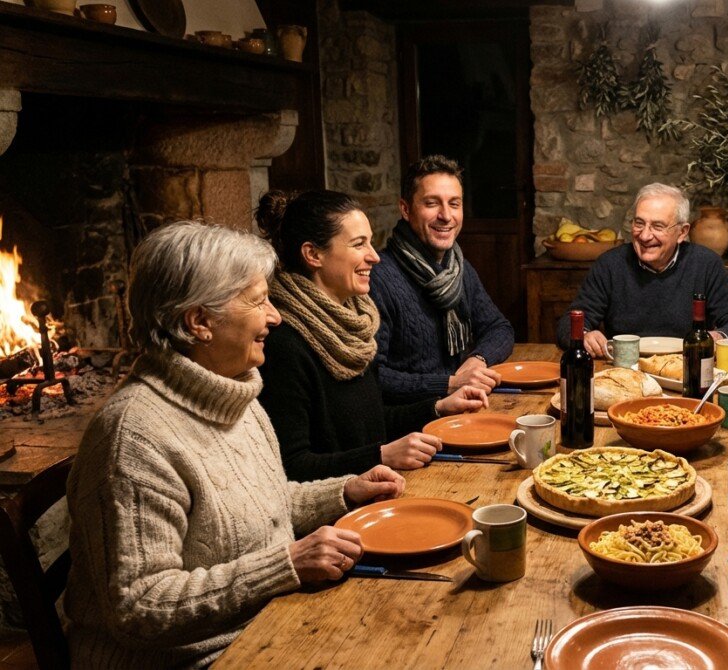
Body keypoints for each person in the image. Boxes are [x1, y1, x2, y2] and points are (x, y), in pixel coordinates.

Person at [65, 221, 406, 667]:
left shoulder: (234, 392)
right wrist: (284, 566)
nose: (276, 316)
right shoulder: (132, 437)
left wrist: (343, 491)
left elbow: (257, 505)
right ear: (200, 322)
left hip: (263, 627)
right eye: (258, 300)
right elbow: (138, 606)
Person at [256, 190, 489, 481]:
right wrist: (381, 455)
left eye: (370, 242)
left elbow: (370, 421)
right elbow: (292, 467)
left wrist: (438, 406)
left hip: (379, 487)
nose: (374, 257)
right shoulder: (285, 343)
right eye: (358, 245)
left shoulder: (355, 322)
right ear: (313, 254)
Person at [370, 155, 514, 402]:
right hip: (412, 426)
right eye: (432, 203)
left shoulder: (458, 269)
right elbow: (375, 377)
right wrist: (449, 384)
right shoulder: (379, 278)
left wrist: (476, 360)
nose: (446, 216)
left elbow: (500, 328)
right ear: (405, 209)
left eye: (454, 204)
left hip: (460, 408)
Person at [555, 183, 728, 357]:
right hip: (626, 370)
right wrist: (585, 335)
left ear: (682, 232)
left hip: (686, 369)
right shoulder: (610, 265)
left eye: (657, 226)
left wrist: (717, 337)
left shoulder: (706, 264)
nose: (644, 235)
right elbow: (568, 323)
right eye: (639, 223)